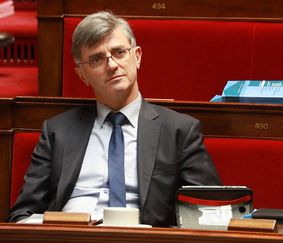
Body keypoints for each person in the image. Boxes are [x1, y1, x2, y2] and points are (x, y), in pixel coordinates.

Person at [7, 11, 221, 227]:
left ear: (137, 56)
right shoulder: (57, 131)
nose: (111, 65)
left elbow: (211, 213)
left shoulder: (179, 131)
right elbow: (22, 214)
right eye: (96, 59)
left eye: (119, 52)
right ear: (82, 74)